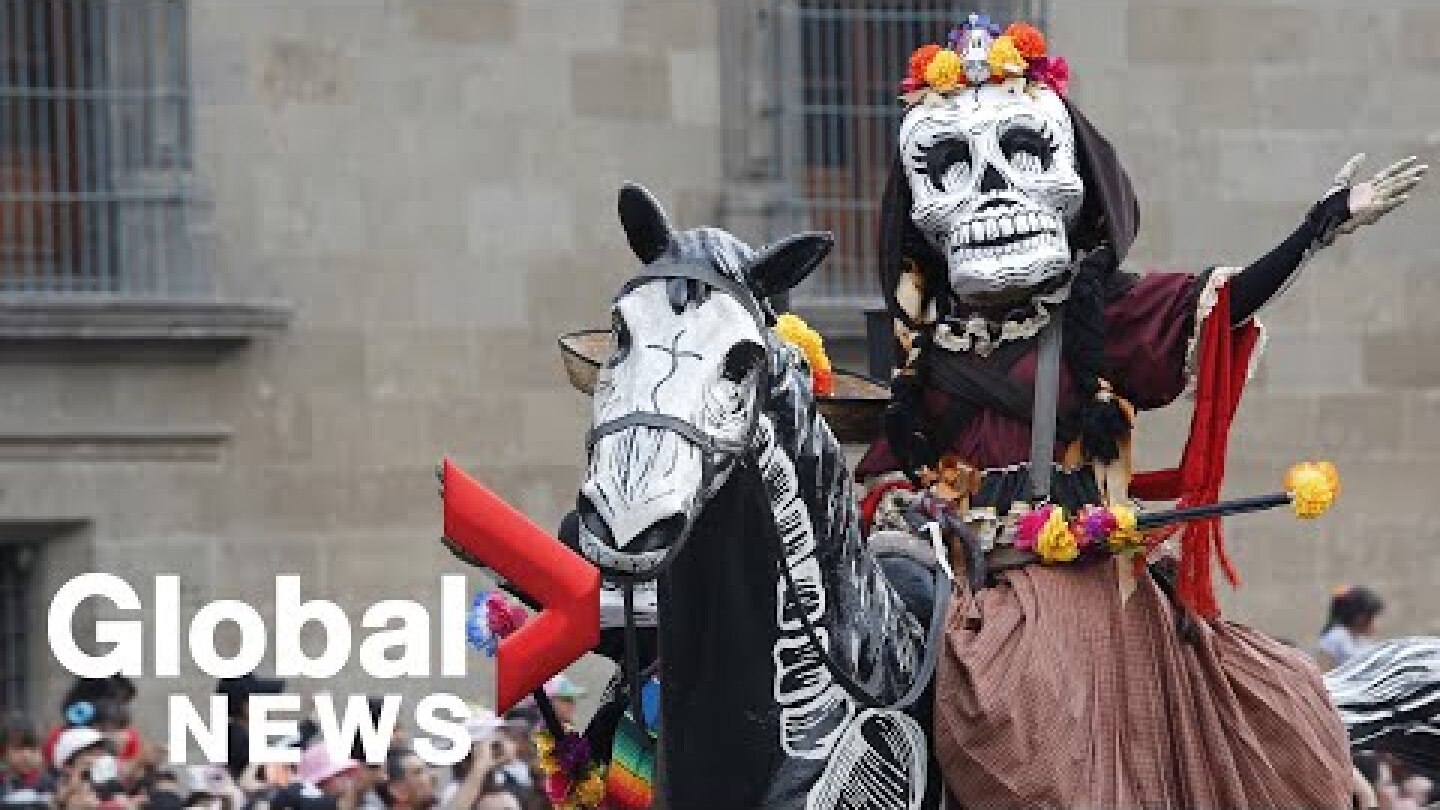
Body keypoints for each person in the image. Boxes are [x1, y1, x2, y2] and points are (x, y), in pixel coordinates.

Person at [860, 12, 1426, 808]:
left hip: (1075, 574)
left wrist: (1315, 229)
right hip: (957, 575)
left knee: (1024, 704)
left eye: (1021, 154)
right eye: (953, 165)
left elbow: (1219, 304)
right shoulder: (930, 346)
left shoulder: (1105, 314)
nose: (991, 191)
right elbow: (890, 471)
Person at [1318, 585, 1386, 670]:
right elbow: (1323, 670)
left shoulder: (1360, 638)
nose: (1375, 623)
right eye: (1373, 617)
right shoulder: (1335, 637)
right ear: (1360, 618)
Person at [0, 718, 52, 808]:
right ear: (4, 752)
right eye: (18, 749)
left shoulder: (49, 785)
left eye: (33, 750)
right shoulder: (2, 784)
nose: (26, 756)